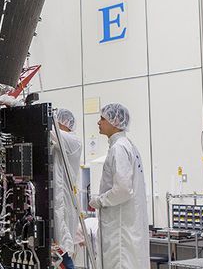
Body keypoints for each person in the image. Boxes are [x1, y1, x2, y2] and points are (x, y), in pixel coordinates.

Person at [89, 103, 149, 268]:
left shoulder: (119, 148)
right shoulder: (128, 145)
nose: (98, 122)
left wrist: (99, 201)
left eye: (102, 118)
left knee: (120, 263)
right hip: (126, 226)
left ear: (114, 122)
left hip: (120, 228)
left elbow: (123, 190)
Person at [51, 108, 83, 269]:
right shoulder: (59, 143)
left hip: (63, 204)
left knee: (62, 251)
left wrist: (15, 103)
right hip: (57, 203)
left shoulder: (72, 141)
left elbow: (49, 129)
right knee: (59, 250)